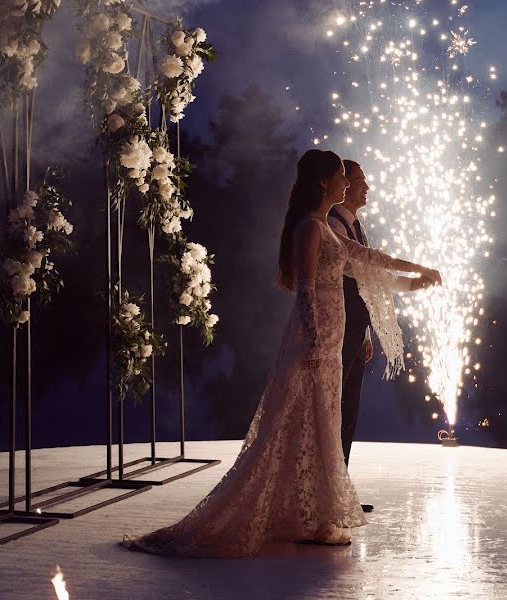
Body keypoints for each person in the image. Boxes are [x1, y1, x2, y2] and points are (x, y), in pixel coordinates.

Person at [121, 149, 441, 557]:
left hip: (329, 342)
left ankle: (313, 515)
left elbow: (369, 260)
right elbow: (306, 290)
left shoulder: (326, 229)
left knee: (322, 421)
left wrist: (419, 274)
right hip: (315, 340)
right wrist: (311, 342)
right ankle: (304, 515)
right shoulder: (309, 228)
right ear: (324, 182)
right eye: (342, 175)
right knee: (300, 421)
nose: (346, 181)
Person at [328, 160, 434, 514]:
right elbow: (365, 267)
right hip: (336, 330)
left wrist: (369, 331)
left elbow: (367, 279)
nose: (365, 186)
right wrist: (414, 275)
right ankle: (328, 493)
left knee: (348, 411)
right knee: (333, 410)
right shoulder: (332, 225)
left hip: (355, 330)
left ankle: (339, 490)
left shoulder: (354, 224)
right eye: (357, 179)